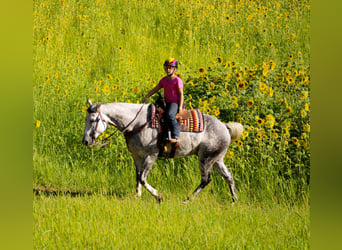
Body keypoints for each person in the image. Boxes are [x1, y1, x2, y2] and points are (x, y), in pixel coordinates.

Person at [142, 58, 184, 143]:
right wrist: (147, 96)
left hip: (174, 103)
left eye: (170, 68)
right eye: (166, 68)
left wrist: (180, 107)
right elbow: (155, 89)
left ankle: (176, 135)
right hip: (166, 102)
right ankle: (161, 135)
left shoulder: (177, 80)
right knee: (156, 113)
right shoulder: (164, 80)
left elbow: (181, 94)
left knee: (170, 114)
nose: (168, 70)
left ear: (175, 69)